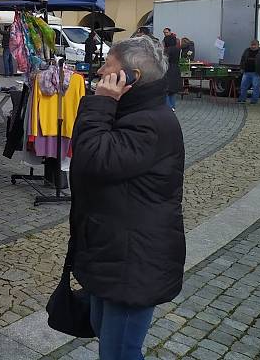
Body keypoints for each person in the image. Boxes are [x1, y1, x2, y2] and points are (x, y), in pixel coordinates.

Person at [68, 35, 185, 359]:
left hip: (134, 262)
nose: (99, 70)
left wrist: (102, 102)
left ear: (129, 77)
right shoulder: (131, 112)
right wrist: (103, 105)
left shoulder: (150, 124)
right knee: (103, 329)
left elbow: (92, 161)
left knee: (119, 351)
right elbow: (83, 150)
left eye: (108, 64)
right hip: (114, 251)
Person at [238, 39, 260, 104]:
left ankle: (254, 101)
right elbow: (242, 59)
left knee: (256, 87)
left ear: (258, 45)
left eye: (254, 45)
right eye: (252, 45)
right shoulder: (246, 50)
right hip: (246, 72)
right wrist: (241, 68)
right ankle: (242, 99)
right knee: (243, 86)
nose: (253, 46)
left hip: (257, 73)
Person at [163, 30, 181, 110]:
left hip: (168, 69)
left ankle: (169, 107)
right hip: (176, 69)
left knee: (165, 90)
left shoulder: (167, 50)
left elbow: (163, 60)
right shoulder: (177, 49)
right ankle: (173, 106)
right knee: (172, 91)